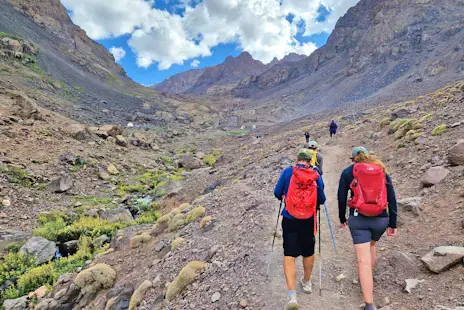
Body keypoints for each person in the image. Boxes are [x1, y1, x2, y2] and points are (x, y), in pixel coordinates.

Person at [337, 147, 398, 310]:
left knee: (362, 261)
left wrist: (342, 219)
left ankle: (369, 304)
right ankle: (368, 277)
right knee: (372, 245)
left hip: (358, 219)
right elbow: (391, 197)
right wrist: (393, 223)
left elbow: (341, 198)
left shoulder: (347, 172)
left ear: (353, 159)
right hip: (380, 220)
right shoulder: (381, 169)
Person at [274, 149, 326, 310]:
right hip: (309, 220)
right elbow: (322, 199)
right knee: (308, 251)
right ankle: (307, 281)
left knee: (289, 254)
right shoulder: (316, 174)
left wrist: (286, 197)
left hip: (290, 218)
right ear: (311, 161)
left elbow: (277, 192)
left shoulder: (288, 172)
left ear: (297, 159)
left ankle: (291, 294)